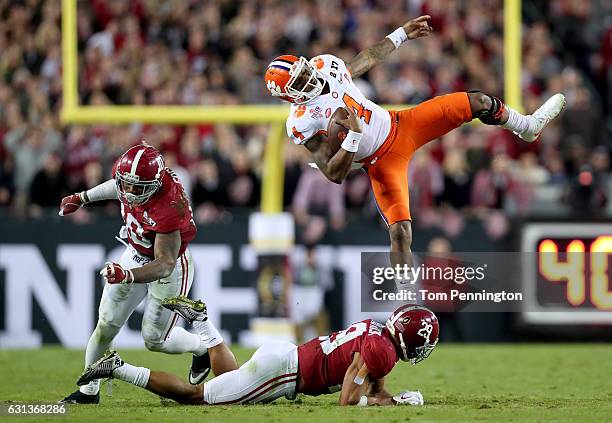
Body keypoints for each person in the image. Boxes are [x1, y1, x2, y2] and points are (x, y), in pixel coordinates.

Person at [264, 15, 565, 271]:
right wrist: (353, 137)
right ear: (290, 96)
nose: (309, 79)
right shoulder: (301, 121)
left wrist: (401, 34)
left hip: (402, 124)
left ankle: (526, 126)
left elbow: (365, 58)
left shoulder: (325, 65)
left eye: (304, 72)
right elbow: (334, 174)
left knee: (479, 101)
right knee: (400, 233)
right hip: (379, 162)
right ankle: (407, 306)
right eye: (300, 83)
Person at [58, 143, 215, 404]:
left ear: (153, 185)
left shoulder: (169, 204)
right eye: (126, 184)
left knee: (154, 340)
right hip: (134, 251)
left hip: (171, 267)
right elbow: (118, 187)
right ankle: (88, 391)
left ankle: (201, 348)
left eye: (137, 188)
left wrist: (127, 275)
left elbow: (164, 262)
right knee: (105, 325)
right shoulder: (134, 182)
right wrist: (82, 197)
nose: (129, 193)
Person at [77, 296, 439, 407]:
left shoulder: (379, 336)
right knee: (195, 397)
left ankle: (203, 323)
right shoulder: (383, 351)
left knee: (228, 379)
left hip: (283, 356)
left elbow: (373, 385)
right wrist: (394, 404)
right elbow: (348, 400)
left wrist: (389, 400)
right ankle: (117, 367)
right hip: (282, 374)